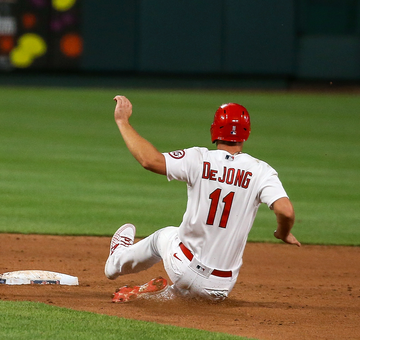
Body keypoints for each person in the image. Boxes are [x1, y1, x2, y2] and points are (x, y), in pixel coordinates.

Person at [104, 96, 300, 302]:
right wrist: (283, 233)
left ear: (214, 130)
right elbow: (285, 211)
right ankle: (151, 297)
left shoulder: (199, 158)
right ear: (246, 134)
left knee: (164, 236)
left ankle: (115, 262)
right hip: (220, 287)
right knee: (194, 292)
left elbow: (149, 160)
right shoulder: (262, 171)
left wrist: (122, 122)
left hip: (183, 266)